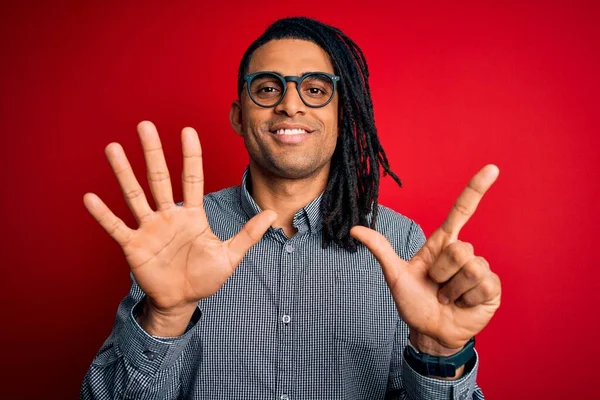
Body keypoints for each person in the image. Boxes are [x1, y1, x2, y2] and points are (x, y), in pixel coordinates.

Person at [80, 16, 501, 400]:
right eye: (267, 88)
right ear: (239, 116)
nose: (291, 105)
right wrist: (164, 319)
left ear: (343, 115)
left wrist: (438, 354)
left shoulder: (402, 243)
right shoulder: (174, 237)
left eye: (315, 90)